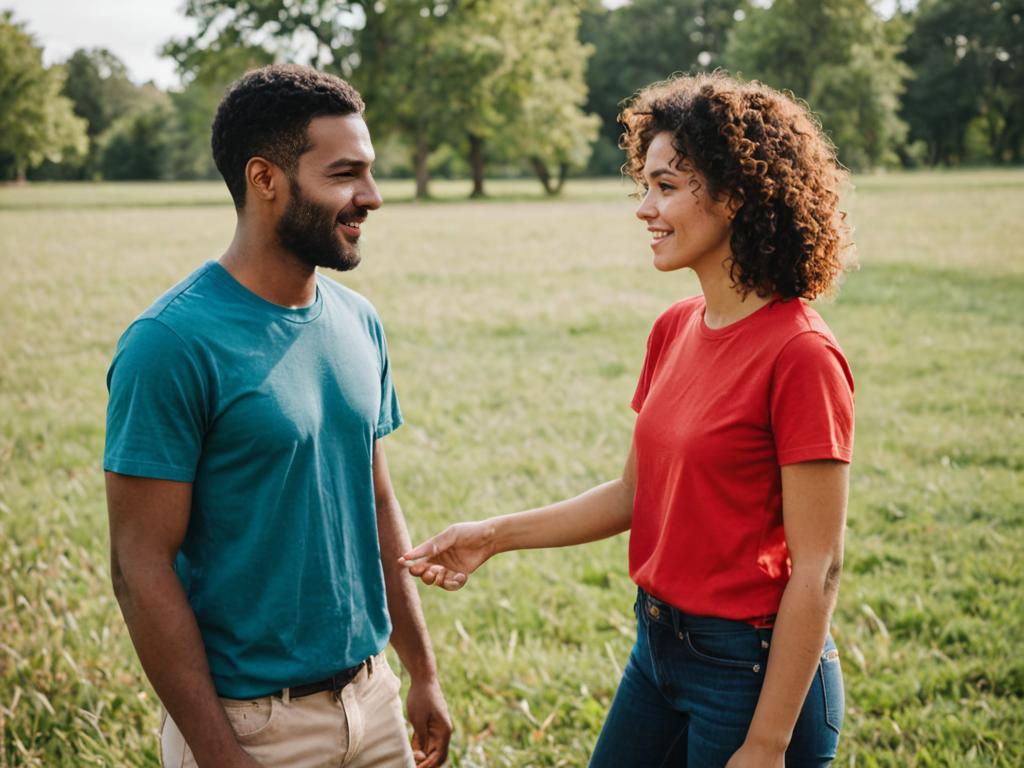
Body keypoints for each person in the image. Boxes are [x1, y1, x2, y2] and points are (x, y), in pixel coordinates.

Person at [401, 72, 855, 768]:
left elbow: (818, 570)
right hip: (659, 650)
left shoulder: (802, 355)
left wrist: (766, 744)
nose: (645, 207)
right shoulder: (675, 328)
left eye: (667, 186)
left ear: (734, 194)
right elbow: (633, 496)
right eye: (644, 184)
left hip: (752, 671)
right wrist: (490, 537)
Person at [104, 64, 451, 768]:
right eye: (344, 174)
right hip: (252, 728)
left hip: (372, 701)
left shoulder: (359, 321)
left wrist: (421, 671)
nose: (372, 198)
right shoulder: (170, 343)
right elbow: (139, 565)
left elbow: (377, 498)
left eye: (370, 172)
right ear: (265, 180)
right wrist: (220, 753)